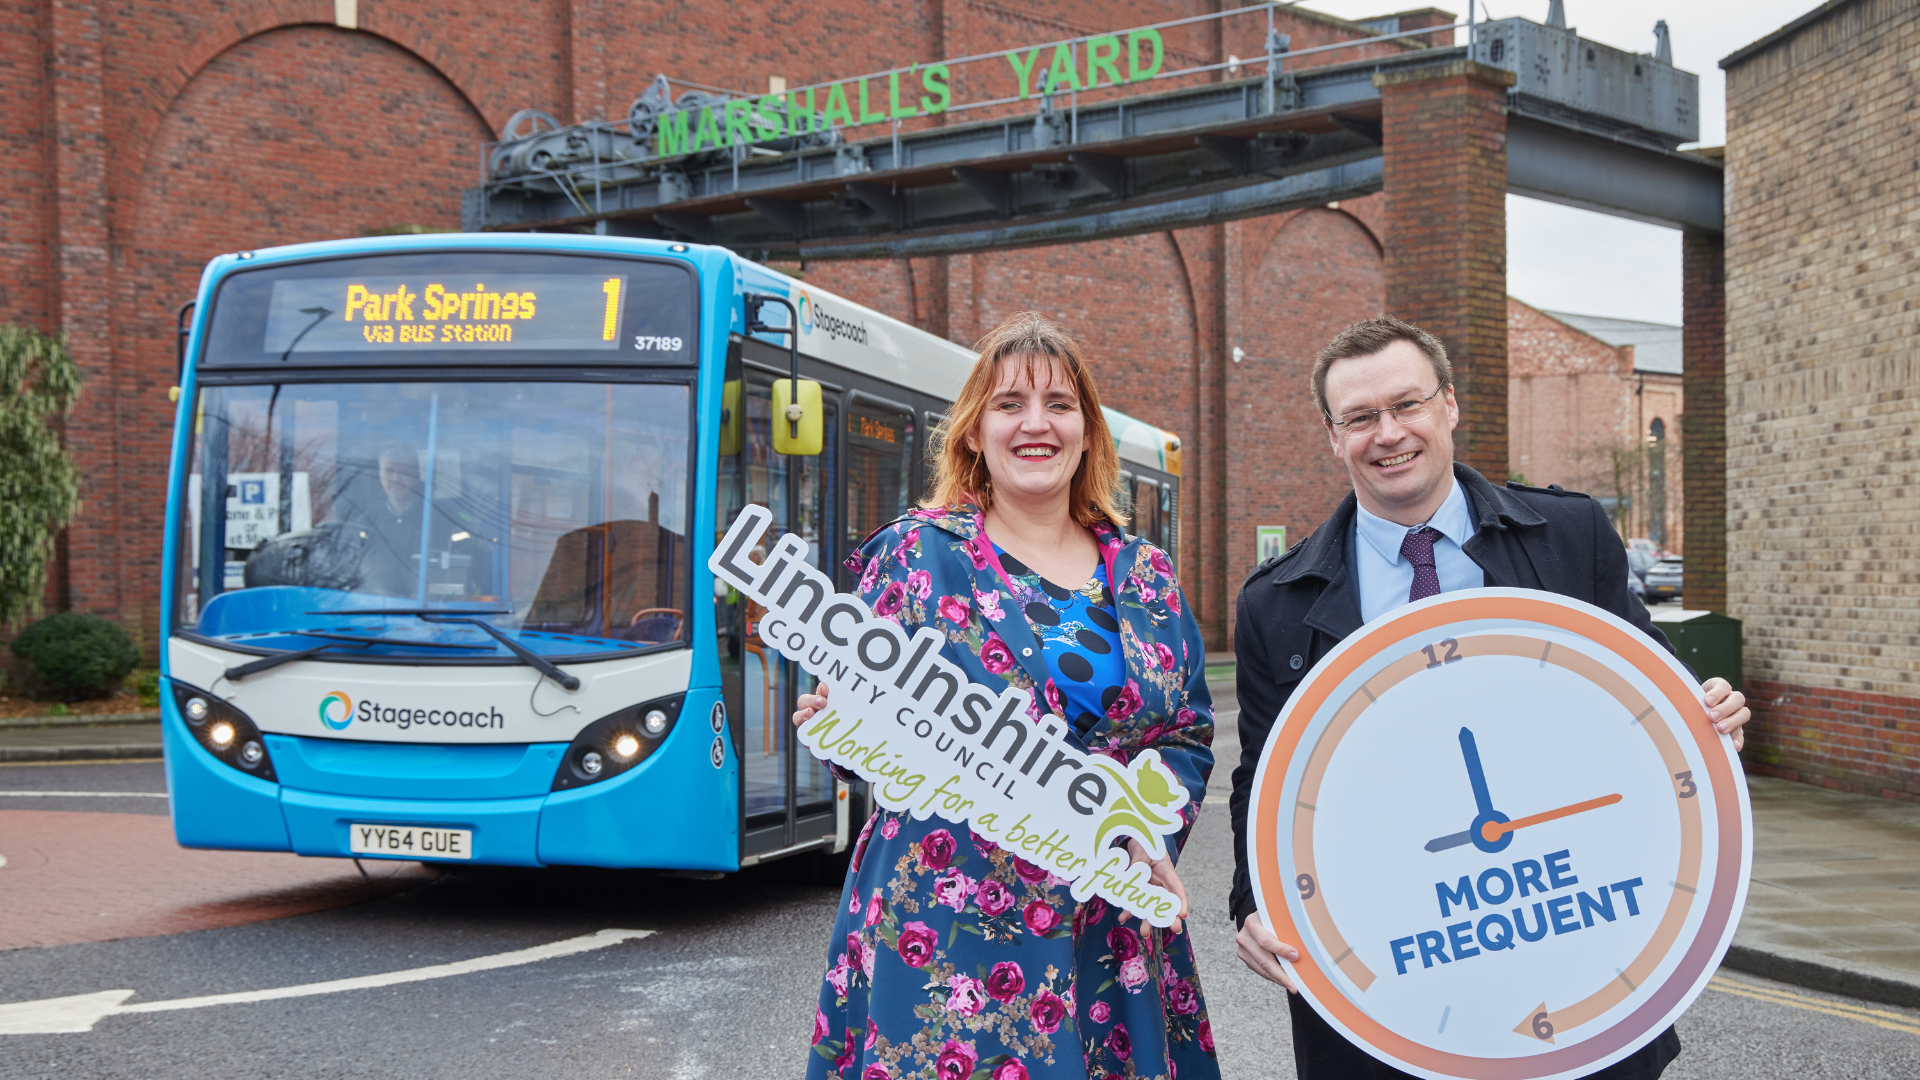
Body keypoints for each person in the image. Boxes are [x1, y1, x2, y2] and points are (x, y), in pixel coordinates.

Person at [1227, 316, 1752, 1079]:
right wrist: (1249, 900)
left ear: (1448, 406)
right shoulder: (1274, 603)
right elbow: (1263, 779)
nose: (1389, 433)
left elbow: (1649, 700)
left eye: (1407, 405)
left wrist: (1711, 716)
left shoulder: (1570, 537)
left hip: (1562, 952)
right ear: (1333, 437)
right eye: (1362, 418)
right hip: (1388, 977)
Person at [792, 313, 1219, 1080]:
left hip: (1105, 919)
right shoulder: (915, 555)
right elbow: (867, 737)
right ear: (973, 432)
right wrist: (841, 731)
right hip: (947, 921)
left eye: (1059, 405)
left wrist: (1145, 830)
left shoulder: (1147, 576)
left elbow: (1186, 732)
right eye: (1010, 403)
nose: (1036, 424)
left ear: (1087, 432)